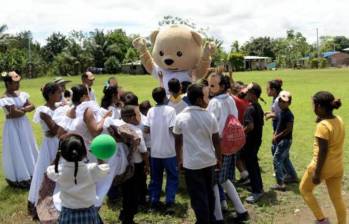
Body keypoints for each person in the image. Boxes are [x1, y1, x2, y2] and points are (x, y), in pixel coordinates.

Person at [173, 83, 221, 223]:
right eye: (206, 97)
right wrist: (219, 158)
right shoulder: (210, 116)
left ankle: (203, 220)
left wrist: (179, 160)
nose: (208, 99)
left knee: (197, 195)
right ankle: (209, 218)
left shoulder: (180, 117)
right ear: (199, 100)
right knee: (209, 192)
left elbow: (177, 142)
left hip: (191, 164)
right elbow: (217, 140)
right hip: (209, 161)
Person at [299, 91, 346, 224]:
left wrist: (317, 173)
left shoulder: (322, 126)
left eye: (313, 105)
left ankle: (321, 220)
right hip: (337, 167)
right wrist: (321, 118)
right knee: (337, 198)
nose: (312, 107)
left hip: (321, 167)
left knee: (304, 190)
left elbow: (323, 151)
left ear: (319, 107)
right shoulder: (338, 120)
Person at [47, 133, 110, 224]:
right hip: (89, 213)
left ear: (63, 154)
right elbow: (104, 168)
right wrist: (97, 154)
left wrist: (59, 155)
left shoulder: (59, 171)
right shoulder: (91, 170)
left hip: (68, 214)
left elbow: (49, 170)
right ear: (84, 153)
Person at [28, 82, 62, 216]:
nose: (61, 95)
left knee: (59, 171)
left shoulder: (59, 107)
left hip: (60, 141)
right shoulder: (43, 110)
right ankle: (42, 203)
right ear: (50, 94)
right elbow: (53, 130)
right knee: (46, 171)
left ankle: (58, 201)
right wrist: (67, 119)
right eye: (58, 92)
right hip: (50, 144)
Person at [0, 71, 38, 188]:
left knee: (27, 145)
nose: (18, 85)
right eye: (15, 83)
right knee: (16, 148)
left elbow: (32, 106)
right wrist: (23, 109)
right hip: (13, 126)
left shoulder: (20, 94)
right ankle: (20, 176)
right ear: (8, 83)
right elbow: (13, 114)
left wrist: (22, 109)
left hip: (23, 124)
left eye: (18, 82)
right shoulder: (4, 98)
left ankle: (32, 172)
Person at [145, 87, 178, 213]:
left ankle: (154, 202)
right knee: (172, 177)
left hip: (155, 152)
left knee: (156, 178)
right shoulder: (171, 110)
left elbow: (146, 129)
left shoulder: (150, 111)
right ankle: (169, 203)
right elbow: (172, 129)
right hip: (169, 150)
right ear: (165, 96)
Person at [119, 105, 150, 223]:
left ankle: (125, 214)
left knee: (126, 192)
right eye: (138, 115)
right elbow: (144, 152)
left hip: (123, 166)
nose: (140, 117)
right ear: (131, 117)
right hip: (136, 167)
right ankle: (128, 218)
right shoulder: (136, 131)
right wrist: (147, 165)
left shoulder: (119, 127)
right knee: (134, 194)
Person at [241, 83, 265, 203]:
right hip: (257, 140)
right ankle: (258, 187)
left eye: (248, 92)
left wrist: (241, 133)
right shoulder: (258, 106)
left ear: (253, 94)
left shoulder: (250, 108)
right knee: (253, 164)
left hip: (250, 142)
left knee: (251, 165)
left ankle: (257, 191)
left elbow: (250, 126)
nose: (246, 93)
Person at [271, 91, 298, 191]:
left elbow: (288, 129)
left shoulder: (289, 114)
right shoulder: (282, 112)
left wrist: (277, 136)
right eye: (280, 101)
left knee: (276, 160)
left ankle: (280, 183)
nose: (281, 103)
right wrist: (275, 134)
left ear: (289, 103)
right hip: (282, 140)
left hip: (285, 141)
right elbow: (279, 125)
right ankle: (293, 176)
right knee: (285, 159)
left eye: (284, 102)